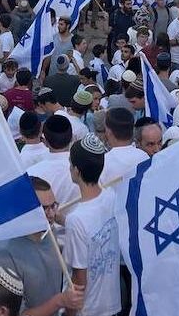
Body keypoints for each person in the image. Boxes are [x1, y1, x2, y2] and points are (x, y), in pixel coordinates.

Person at [0, 178, 80, 316]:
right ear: (24, 210)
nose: (51, 215)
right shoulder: (4, 254)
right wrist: (60, 301)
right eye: (43, 209)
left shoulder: (48, 231)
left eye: (53, 206)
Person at [63, 134, 121, 316]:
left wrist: (70, 312)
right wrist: (59, 219)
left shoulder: (76, 219)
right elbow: (91, 230)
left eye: (71, 163)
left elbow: (79, 278)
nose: (69, 168)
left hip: (88, 309)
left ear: (77, 171)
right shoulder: (111, 196)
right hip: (112, 302)